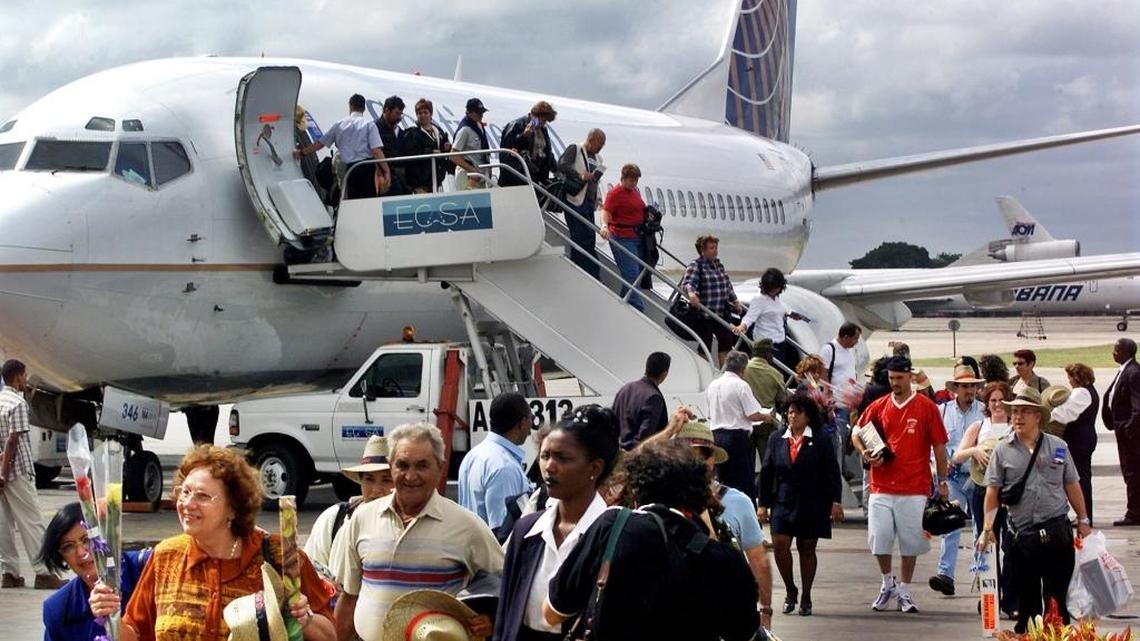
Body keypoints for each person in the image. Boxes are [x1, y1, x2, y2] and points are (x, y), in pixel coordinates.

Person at [94, 446, 335, 641]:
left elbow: (331, 636)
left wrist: (306, 619)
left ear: (233, 507)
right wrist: (110, 614)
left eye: (202, 496)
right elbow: (135, 633)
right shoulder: (165, 557)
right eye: (184, 492)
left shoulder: (282, 556)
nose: (187, 504)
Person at [543, 440, 760, 641]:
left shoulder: (612, 526)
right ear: (700, 495)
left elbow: (552, 613)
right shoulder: (723, 558)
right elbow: (742, 632)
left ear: (636, 490)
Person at [336, 422, 503, 641]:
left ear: (440, 468)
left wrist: (491, 618)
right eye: (402, 465)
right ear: (391, 466)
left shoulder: (466, 526)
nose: (410, 476)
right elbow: (350, 596)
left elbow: (508, 582)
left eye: (422, 466)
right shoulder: (363, 518)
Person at [493, 404, 619, 641]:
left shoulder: (613, 538)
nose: (549, 467)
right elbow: (506, 613)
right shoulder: (526, 530)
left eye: (562, 458)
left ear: (594, 468)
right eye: (545, 455)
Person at [979, 387, 1092, 633]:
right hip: (1021, 538)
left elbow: (1071, 483)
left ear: (1038, 416)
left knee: (1057, 603)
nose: (1017, 417)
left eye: (1024, 412)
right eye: (1015, 411)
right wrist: (987, 527)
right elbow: (992, 492)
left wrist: (1083, 519)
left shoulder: (1058, 447)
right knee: (1027, 604)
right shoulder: (1002, 449)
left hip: (1056, 534)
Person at [650, 415, 773, 631]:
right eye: (687, 456)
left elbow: (759, 561)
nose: (696, 463)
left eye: (703, 455)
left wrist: (765, 610)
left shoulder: (738, 502)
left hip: (725, 617)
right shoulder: (654, 504)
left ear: (713, 460)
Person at [852, 356, 949, 614]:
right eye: (891, 378)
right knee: (879, 539)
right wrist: (864, 452)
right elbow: (856, 430)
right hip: (881, 484)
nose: (895, 383)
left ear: (910, 377)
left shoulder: (926, 407)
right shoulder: (879, 405)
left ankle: (905, 589)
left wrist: (942, 481)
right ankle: (887, 582)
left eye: (899, 378)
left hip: (914, 486)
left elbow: (940, 446)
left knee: (910, 541)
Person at [758, 392, 844, 617]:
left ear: (808, 416)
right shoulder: (777, 438)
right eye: (790, 412)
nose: (792, 416)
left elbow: (832, 473)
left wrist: (836, 501)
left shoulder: (821, 439)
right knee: (780, 545)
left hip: (812, 502)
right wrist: (763, 504)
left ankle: (806, 595)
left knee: (807, 549)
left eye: (798, 412)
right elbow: (767, 472)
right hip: (783, 501)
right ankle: (790, 591)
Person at [40, 502, 151, 641]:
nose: (81, 552)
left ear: (107, 536)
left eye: (87, 540)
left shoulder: (146, 569)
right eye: (68, 546)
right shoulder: (58, 609)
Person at [953, 381, 1017, 617]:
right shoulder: (979, 427)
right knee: (989, 541)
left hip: (1010, 493)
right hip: (982, 489)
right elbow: (957, 456)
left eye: (1002, 400)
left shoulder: (1014, 426)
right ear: (987, 404)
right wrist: (974, 451)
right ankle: (990, 594)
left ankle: (1011, 599)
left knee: (1012, 545)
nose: (998, 404)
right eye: (993, 400)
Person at [0, 359, 64, 590]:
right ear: (18, 377)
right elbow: (13, 440)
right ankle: (43, 572)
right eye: (25, 377)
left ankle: (10, 573)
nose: (26, 381)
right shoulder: (17, 403)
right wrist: (5, 474)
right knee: (32, 522)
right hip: (16, 472)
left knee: (4, 523)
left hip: (3, 471)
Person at [928, 359, 985, 597]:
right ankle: (946, 575)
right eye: (965, 387)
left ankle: (983, 575)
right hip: (952, 478)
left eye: (973, 386)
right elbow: (935, 444)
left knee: (980, 529)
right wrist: (936, 469)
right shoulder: (941, 411)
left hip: (978, 477)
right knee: (950, 525)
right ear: (955, 390)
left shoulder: (984, 411)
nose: (969, 391)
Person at [304, 435, 393, 572]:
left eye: (386, 480)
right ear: (361, 482)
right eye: (369, 479)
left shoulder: (406, 525)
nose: (376, 490)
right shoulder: (334, 518)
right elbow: (311, 570)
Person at [459, 392, 534, 530]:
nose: (531, 426)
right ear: (522, 423)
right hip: (492, 550)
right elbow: (503, 531)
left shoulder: (473, 455)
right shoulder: (504, 467)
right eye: (531, 418)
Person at [295, 94, 388, 200]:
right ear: (363, 108)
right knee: (367, 201)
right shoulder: (369, 125)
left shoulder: (339, 125)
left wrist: (302, 153)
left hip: (348, 169)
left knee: (350, 200)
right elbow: (376, 150)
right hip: (366, 169)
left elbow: (320, 144)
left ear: (350, 106)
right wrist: (386, 171)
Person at [707, 350, 772, 500]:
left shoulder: (713, 385)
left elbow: (710, 414)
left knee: (719, 479)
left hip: (716, 436)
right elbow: (752, 414)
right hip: (736, 438)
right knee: (742, 481)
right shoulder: (741, 385)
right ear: (743, 369)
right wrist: (766, 416)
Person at [680, 235, 744, 363]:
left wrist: (735, 301)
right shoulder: (697, 265)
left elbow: (727, 286)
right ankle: (706, 371)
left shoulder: (719, 266)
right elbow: (688, 284)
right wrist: (691, 294)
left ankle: (725, 374)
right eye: (711, 248)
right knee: (705, 346)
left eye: (716, 247)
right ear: (702, 250)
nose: (715, 251)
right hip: (705, 315)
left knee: (726, 345)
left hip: (721, 313)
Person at [555, 128, 607, 279]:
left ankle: (588, 272)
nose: (600, 147)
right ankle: (588, 272)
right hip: (575, 200)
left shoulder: (598, 158)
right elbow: (562, 165)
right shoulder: (575, 149)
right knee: (579, 236)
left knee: (589, 238)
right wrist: (580, 175)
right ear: (591, 139)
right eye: (600, 144)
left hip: (589, 202)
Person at [1051, 363, 1099, 524]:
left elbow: (1066, 414)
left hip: (1079, 439)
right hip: (1084, 437)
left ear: (1077, 377)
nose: (1069, 381)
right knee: (1081, 476)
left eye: (1070, 377)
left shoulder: (1081, 392)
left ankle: (1084, 516)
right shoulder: (1090, 391)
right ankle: (1083, 515)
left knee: (1079, 478)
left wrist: (1047, 415)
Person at [735, 268, 806, 372]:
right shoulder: (759, 299)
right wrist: (743, 326)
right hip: (765, 342)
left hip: (779, 339)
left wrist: (790, 314)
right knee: (767, 371)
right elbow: (750, 316)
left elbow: (778, 310)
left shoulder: (776, 298)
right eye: (771, 288)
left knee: (778, 370)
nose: (774, 291)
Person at [598, 164, 648, 312]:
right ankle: (637, 308)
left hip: (636, 237)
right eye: (632, 180)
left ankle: (621, 305)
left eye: (636, 180)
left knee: (635, 273)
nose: (634, 183)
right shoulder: (616, 193)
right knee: (631, 274)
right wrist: (604, 226)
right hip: (622, 237)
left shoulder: (634, 192)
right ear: (623, 178)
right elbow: (605, 211)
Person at [1103, 338, 1140, 525]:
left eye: (1116, 350)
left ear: (1126, 352)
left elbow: (1138, 405)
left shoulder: (1133, 373)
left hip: (1129, 433)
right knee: (1129, 471)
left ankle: (1134, 513)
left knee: (1132, 471)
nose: (1113, 353)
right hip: (1122, 428)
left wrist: (1129, 428)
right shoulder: (1125, 370)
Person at [613, 352, 670, 450]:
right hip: (636, 458)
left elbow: (612, 420)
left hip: (617, 451)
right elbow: (645, 439)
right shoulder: (654, 397)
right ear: (664, 374)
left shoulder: (625, 388)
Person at [744, 338, 788, 461]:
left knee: (747, 464)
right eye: (771, 353)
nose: (772, 357)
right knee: (768, 463)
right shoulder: (775, 374)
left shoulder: (742, 370)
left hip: (745, 421)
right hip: (767, 423)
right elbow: (782, 400)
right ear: (766, 354)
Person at [499, 101, 558, 187]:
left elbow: (546, 152)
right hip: (518, 177)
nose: (543, 124)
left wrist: (556, 169)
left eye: (545, 122)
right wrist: (523, 136)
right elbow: (506, 149)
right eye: (543, 120)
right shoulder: (517, 125)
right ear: (535, 115)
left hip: (536, 177)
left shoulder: (543, 130)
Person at [399, 98, 452, 194]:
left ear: (431, 114)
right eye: (419, 113)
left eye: (425, 112)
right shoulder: (413, 134)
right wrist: (430, 152)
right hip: (420, 182)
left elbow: (444, 152)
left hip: (437, 180)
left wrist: (447, 148)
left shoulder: (438, 131)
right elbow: (412, 154)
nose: (422, 115)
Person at [819, 323, 863, 430]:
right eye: (855, 339)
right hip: (836, 401)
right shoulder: (829, 349)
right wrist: (827, 392)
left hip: (850, 401)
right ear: (846, 337)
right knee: (840, 428)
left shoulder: (850, 350)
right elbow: (823, 372)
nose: (856, 342)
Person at [451, 98, 492, 190]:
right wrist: (471, 169)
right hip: (468, 176)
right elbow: (454, 155)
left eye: (482, 112)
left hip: (479, 175)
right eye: (479, 113)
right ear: (470, 112)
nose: (481, 115)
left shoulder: (479, 126)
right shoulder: (464, 130)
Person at [374, 95, 408, 195]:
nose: (399, 118)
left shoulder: (396, 130)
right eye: (397, 113)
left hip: (396, 174)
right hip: (382, 174)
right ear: (387, 110)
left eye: (401, 114)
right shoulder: (375, 128)